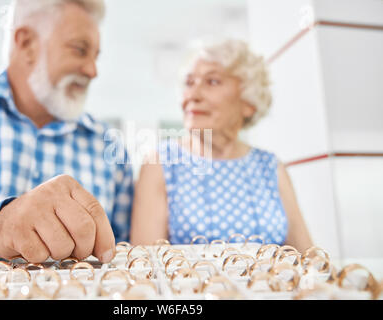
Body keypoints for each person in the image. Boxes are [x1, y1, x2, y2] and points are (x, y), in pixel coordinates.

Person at [0, 0, 133, 264]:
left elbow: (122, 259)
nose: (92, 71)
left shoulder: (110, 147)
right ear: (26, 43)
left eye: (95, 56)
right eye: (79, 50)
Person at [130, 38, 313, 252]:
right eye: (189, 83)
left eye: (212, 82)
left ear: (248, 102)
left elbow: (308, 258)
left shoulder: (271, 167)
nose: (192, 95)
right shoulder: (160, 163)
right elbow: (145, 268)